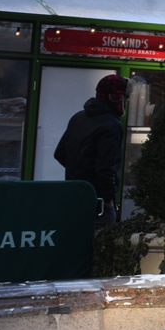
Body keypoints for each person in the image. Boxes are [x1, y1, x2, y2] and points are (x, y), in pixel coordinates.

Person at [54, 76, 128, 223]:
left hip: (75, 193)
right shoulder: (111, 125)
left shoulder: (79, 117)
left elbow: (60, 153)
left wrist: (79, 171)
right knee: (99, 241)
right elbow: (105, 168)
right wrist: (108, 200)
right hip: (98, 201)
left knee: (77, 239)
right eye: (124, 98)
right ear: (116, 98)